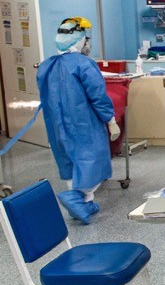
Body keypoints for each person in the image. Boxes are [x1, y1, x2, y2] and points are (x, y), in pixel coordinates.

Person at [36, 17, 119, 223]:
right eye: (86, 39)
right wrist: (110, 120)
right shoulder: (83, 64)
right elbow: (97, 95)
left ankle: (83, 205)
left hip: (57, 124)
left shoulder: (46, 66)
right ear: (80, 40)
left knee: (70, 162)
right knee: (92, 160)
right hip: (83, 123)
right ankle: (75, 197)